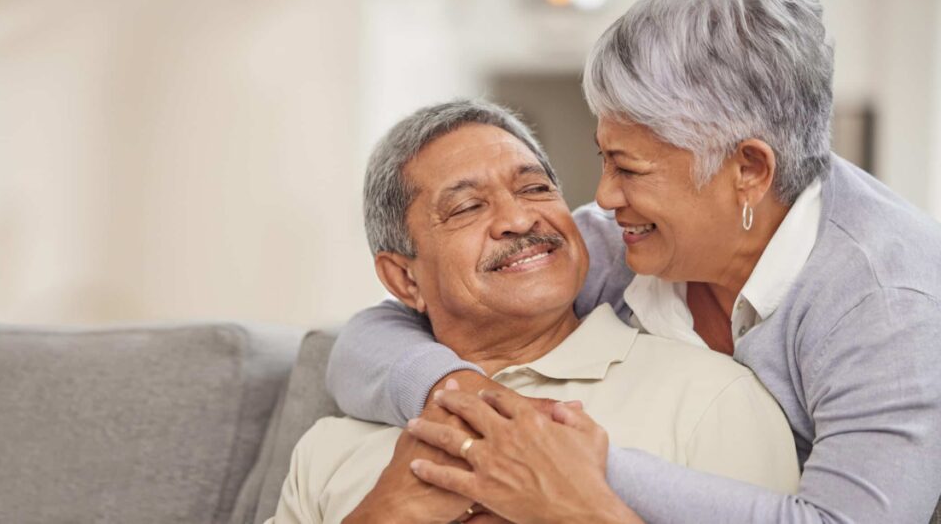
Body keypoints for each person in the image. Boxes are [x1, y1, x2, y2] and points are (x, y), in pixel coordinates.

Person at [325, 0, 941, 523]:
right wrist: (466, 401)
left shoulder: (891, 305)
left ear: (749, 168)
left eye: (630, 168)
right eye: (604, 159)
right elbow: (372, 335)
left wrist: (559, 464)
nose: (604, 196)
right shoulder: (625, 244)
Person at [268, 100, 798, 524]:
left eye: (536, 188)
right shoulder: (330, 448)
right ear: (405, 279)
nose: (520, 218)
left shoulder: (710, 398)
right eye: (468, 207)